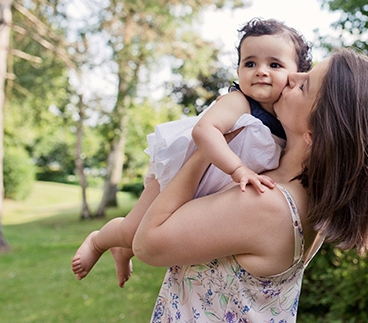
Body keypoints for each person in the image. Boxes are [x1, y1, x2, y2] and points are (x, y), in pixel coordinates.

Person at [132, 48, 368, 322]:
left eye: (304, 86)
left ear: (314, 133)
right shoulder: (302, 198)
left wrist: (204, 153)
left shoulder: (266, 204)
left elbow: (148, 244)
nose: (292, 77)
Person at [71, 18, 312, 287]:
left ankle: (123, 248)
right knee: (131, 231)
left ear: (297, 74)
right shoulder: (239, 102)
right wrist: (238, 169)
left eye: (274, 65)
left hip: (214, 188)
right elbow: (204, 131)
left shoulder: (287, 119)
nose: (260, 71)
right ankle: (98, 240)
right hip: (180, 173)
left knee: (151, 231)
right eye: (250, 63)